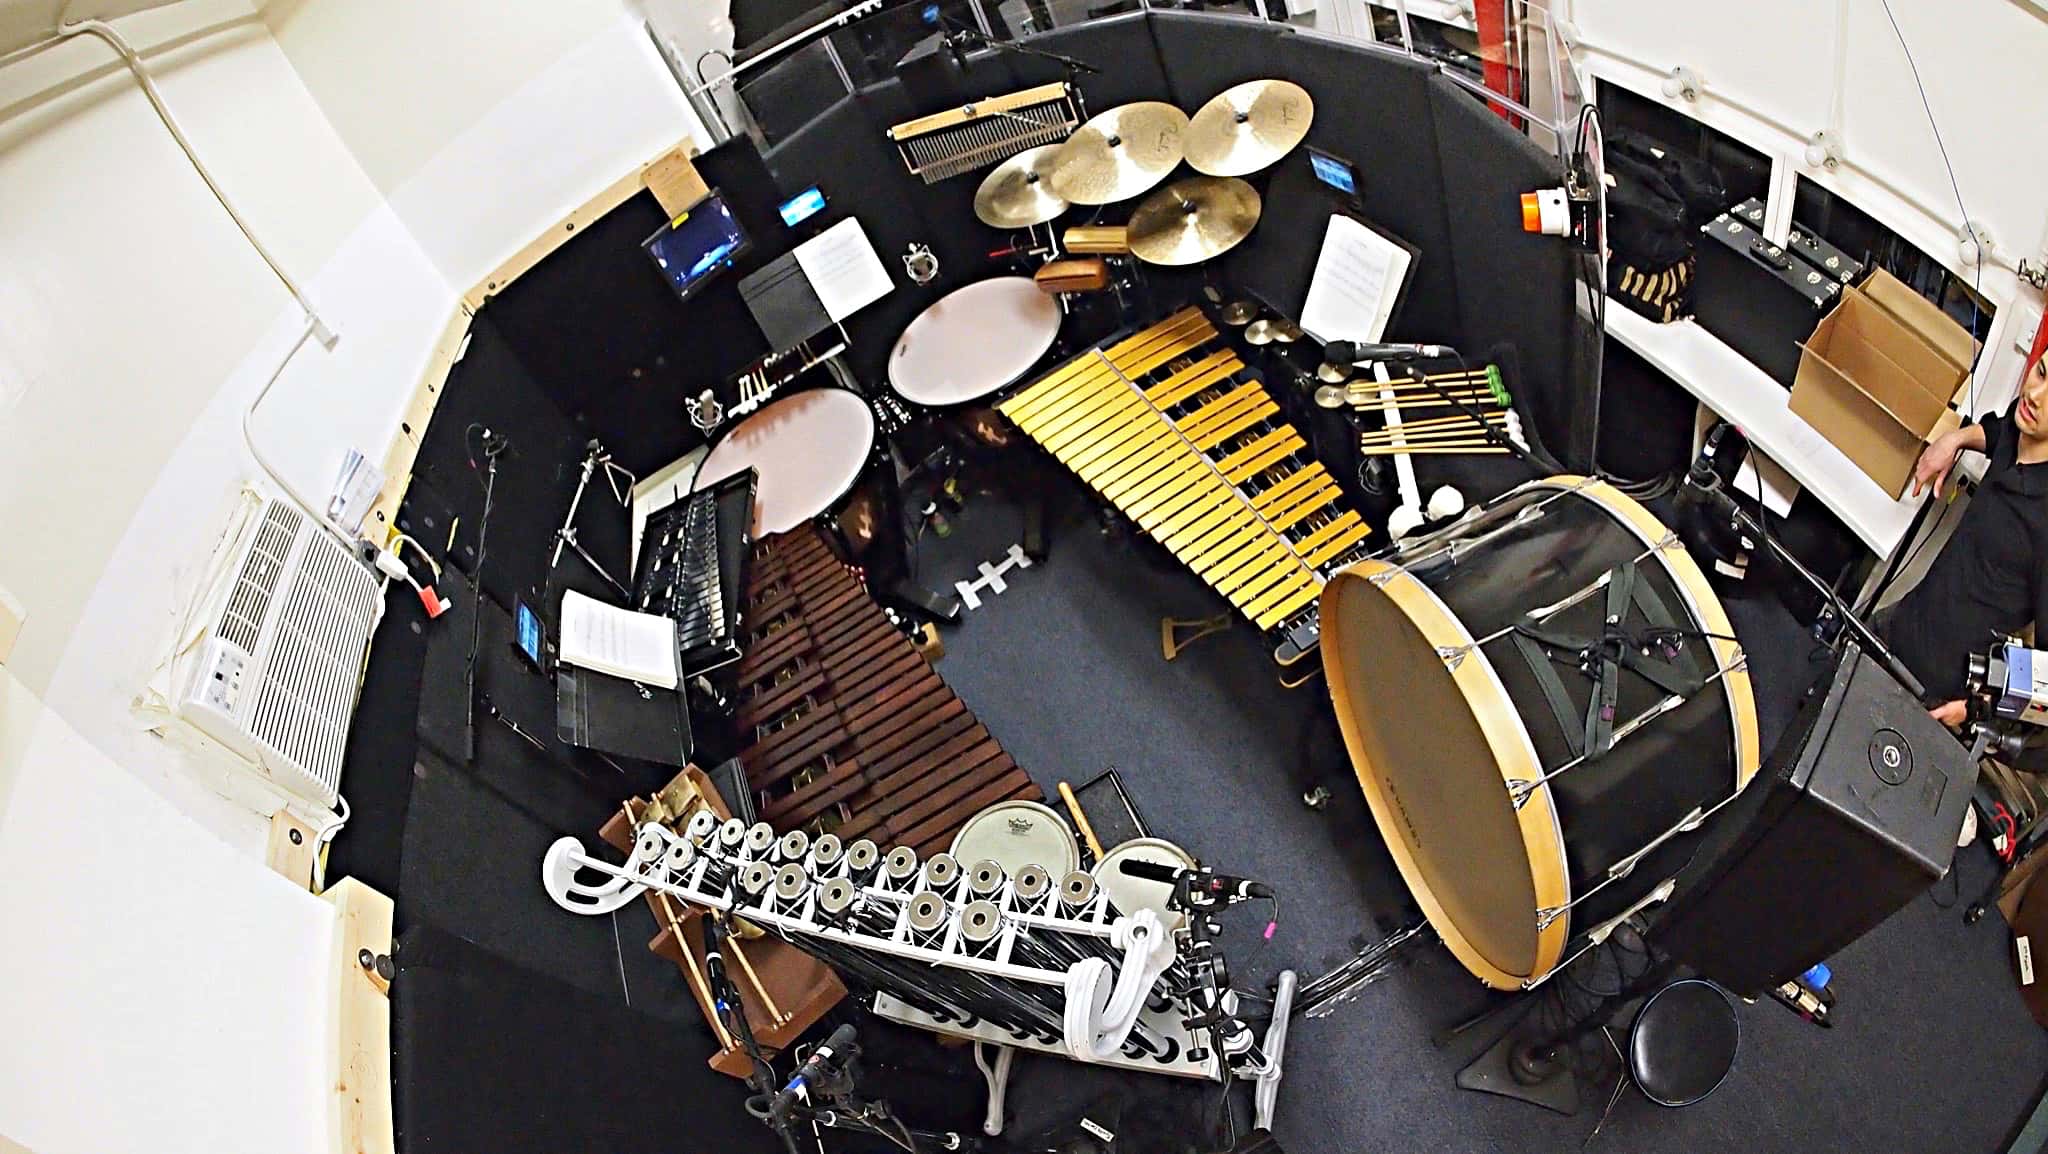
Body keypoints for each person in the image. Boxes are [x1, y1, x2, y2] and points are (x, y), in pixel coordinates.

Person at [1889, 340, 2048, 728]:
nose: (2035, 395)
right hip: (1902, 624)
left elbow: (2046, 670)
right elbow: (1998, 431)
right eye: (2042, 372)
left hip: (1939, 694)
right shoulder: (2024, 421)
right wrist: (1956, 439)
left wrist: (1978, 707)